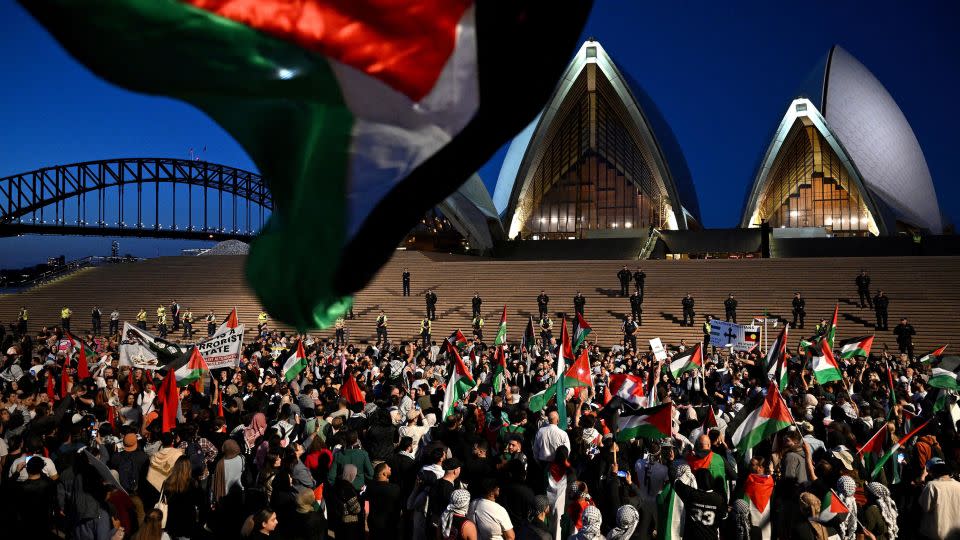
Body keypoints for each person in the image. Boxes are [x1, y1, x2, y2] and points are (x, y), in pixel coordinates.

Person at [161, 456, 202, 540]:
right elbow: (200, 502)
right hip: (187, 523)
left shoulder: (167, 482)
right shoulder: (193, 484)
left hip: (171, 523)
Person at [919, 458, 960, 540]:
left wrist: (922, 477)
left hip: (936, 534)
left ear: (930, 471)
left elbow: (925, 507)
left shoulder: (932, 486)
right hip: (956, 533)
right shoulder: (958, 485)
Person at [366, 462, 402, 540]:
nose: (390, 468)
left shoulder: (370, 487)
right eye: (388, 468)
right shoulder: (395, 488)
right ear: (384, 473)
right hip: (390, 523)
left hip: (374, 522)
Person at [329, 464, 364, 540]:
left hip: (338, 520)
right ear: (352, 474)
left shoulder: (336, 485)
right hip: (349, 523)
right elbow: (356, 509)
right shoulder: (348, 488)